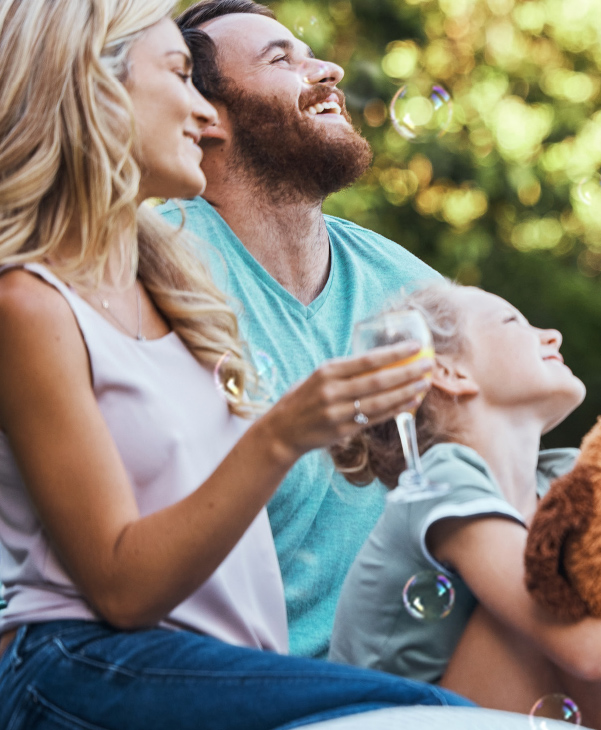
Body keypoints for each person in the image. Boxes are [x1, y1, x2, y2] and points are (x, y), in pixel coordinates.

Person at [0, 0, 468, 725]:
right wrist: (285, 433)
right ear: (96, 87)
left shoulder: (168, 281)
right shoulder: (28, 304)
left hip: (225, 664)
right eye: (180, 76)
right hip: (84, 665)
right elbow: (120, 589)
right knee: (435, 715)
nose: (199, 110)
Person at [327, 283, 601, 730]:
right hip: (393, 724)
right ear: (449, 372)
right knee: (540, 606)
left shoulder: (568, 483)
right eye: (512, 321)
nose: (552, 335)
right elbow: (587, 652)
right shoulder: (440, 481)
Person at [164, 0, 442, 659]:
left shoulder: (400, 282)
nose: (330, 69)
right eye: (280, 58)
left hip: (403, 674)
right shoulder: (158, 262)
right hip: (232, 674)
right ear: (209, 117)